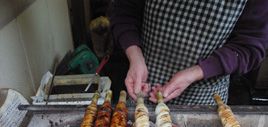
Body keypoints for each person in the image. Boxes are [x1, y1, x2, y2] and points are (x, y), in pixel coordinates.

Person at [111, 0, 268, 105]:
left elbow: (250, 45)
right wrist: (135, 56)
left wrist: (197, 72)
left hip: (204, 96)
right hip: (142, 85)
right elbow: (125, 11)